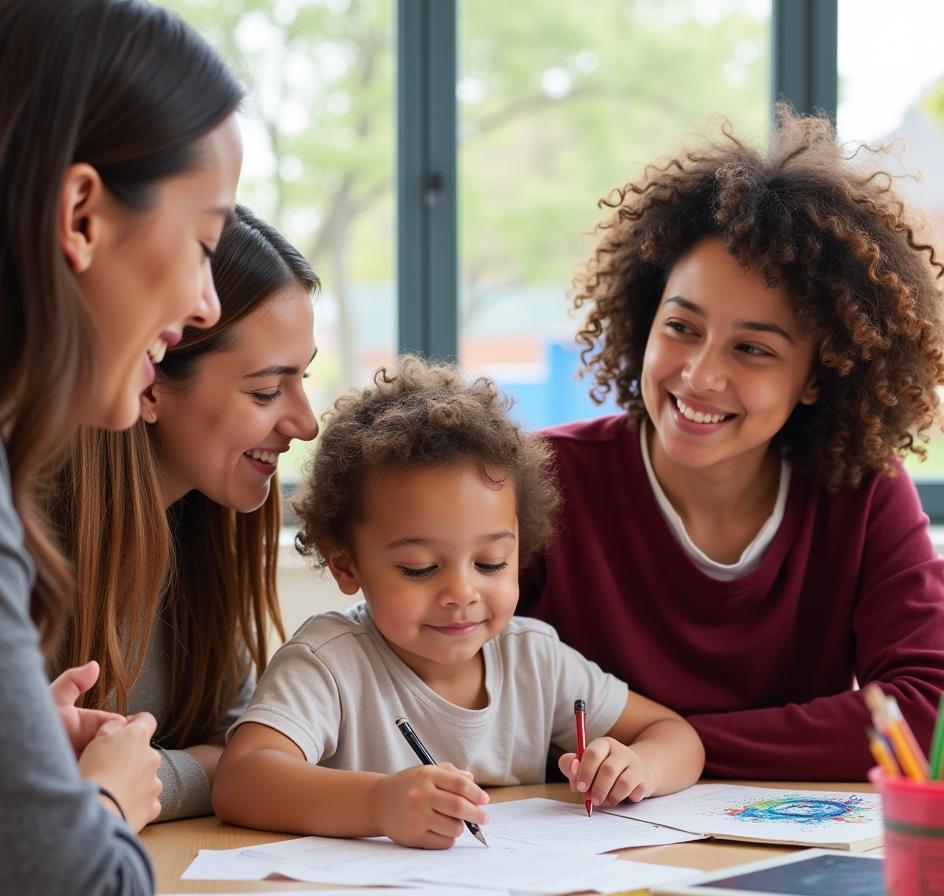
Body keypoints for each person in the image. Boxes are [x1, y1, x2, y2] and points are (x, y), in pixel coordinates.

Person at [0, 0, 243, 896]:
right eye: (201, 243)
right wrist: (104, 799)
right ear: (80, 215)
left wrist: (12, 758)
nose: (206, 305)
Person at [518, 107, 944, 780]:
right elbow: (431, 677)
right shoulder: (540, 479)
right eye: (682, 327)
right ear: (643, 320)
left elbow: (927, 712)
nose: (700, 374)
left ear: (816, 374)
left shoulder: (861, 493)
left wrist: (674, 747)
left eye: (752, 348)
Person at [212, 357, 704, 849]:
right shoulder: (328, 662)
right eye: (420, 568)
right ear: (346, 565)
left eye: (490, 563)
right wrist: (378, 802)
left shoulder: (534, 658)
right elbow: (241, 780)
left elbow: (674, 734)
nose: (462, 594)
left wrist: (640, 767)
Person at [50, 206, 319, 822]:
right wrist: (104, 792)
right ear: (150, 383)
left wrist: (138, 779)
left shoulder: (198, 529)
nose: (307, 423)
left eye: (304, 377)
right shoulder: (15, 538)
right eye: (266, 391)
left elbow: (244, 750)